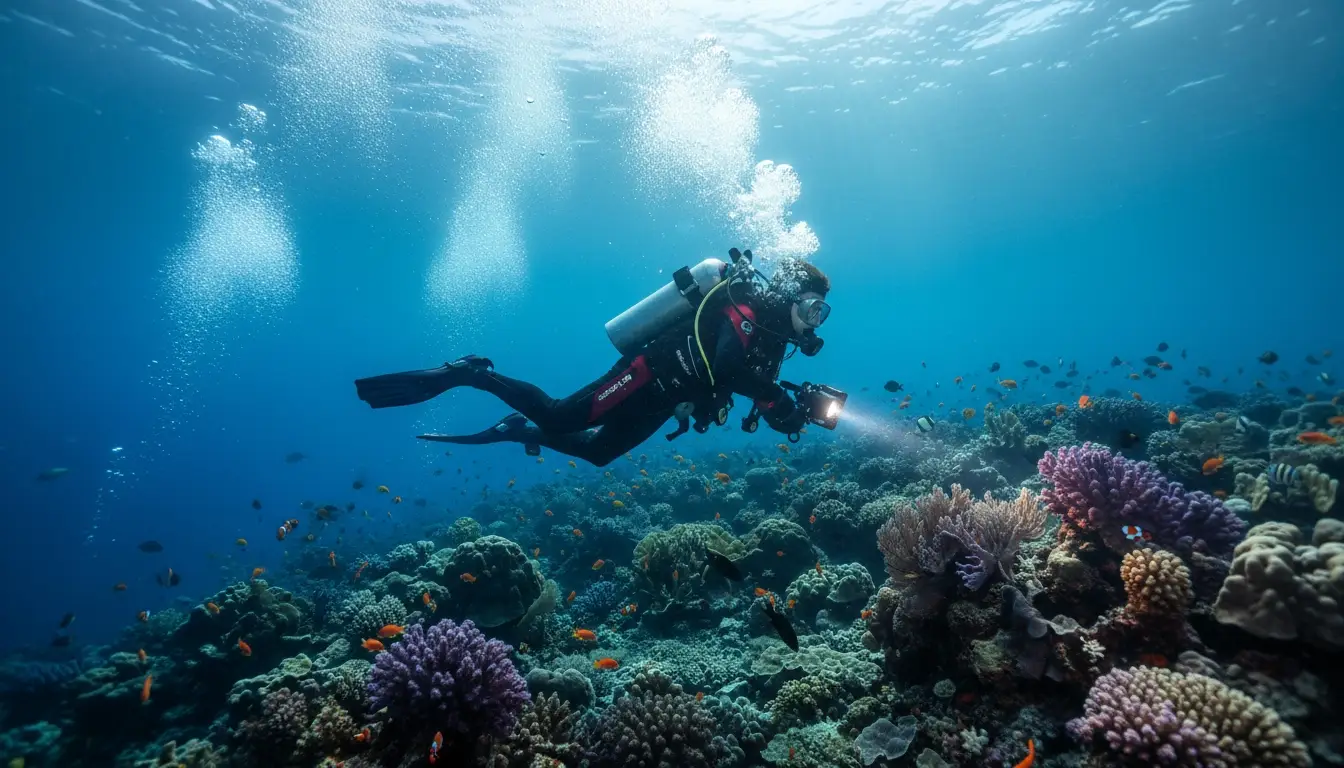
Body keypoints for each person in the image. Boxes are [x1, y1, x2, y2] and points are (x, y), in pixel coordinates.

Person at [354, 252, 831, 466]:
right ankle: (473, 374)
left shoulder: (771, 341)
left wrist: (789, 412)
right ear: (790, 295)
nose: (814, 322)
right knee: (562, 416)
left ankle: (517, 429)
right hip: (648, 374)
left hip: (667, 402)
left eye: (822, 314)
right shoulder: (743, 307)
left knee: (599, 453)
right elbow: (725, 367)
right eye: (813, 308)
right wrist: (771, 396)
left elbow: (751, 389)